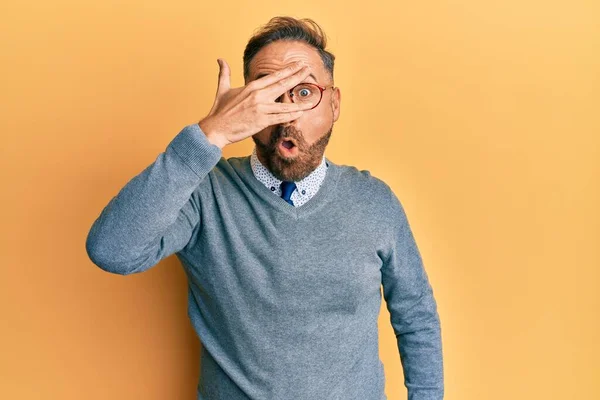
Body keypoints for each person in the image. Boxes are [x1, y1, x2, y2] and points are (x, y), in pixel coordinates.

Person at [85, 16, 444, 400]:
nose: (287, 114)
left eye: (304, 92)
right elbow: (112, 250)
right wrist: (211, 134)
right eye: (269, 94)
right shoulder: (206, 194)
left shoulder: (375, 202)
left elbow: (416, 317)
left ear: (335, 104)